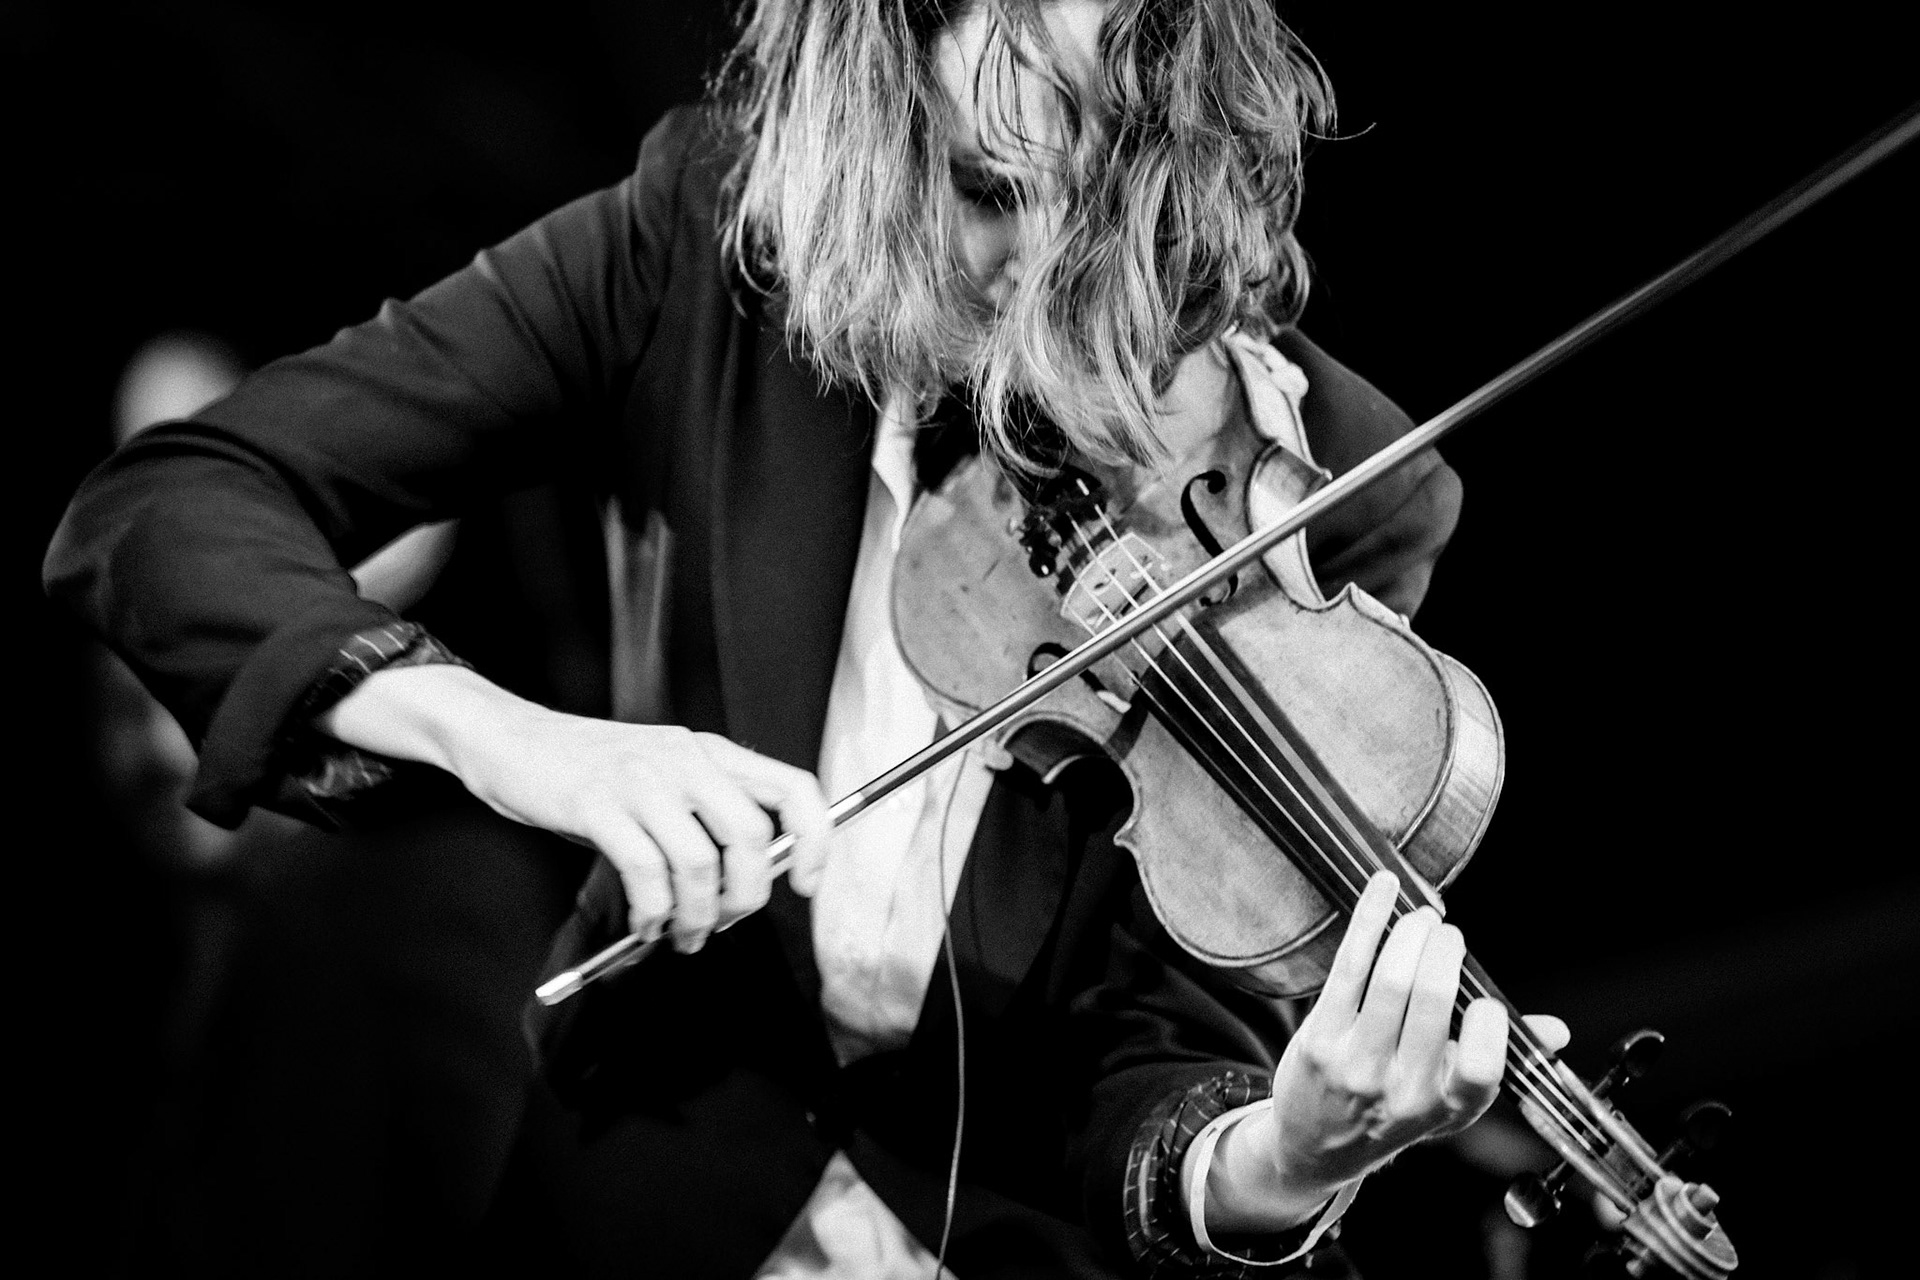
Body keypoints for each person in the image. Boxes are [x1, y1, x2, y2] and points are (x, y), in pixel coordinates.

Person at [47, 1, 1566, 1275]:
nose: (1035, 274)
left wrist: (1275, 1165)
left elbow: (1151, 1047)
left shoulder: (1331, 489)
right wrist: (510, 739)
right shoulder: (713, 243)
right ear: (877, 114)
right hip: (637, 1216)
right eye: (980, 185)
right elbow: (167, 509)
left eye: (1094, 188)